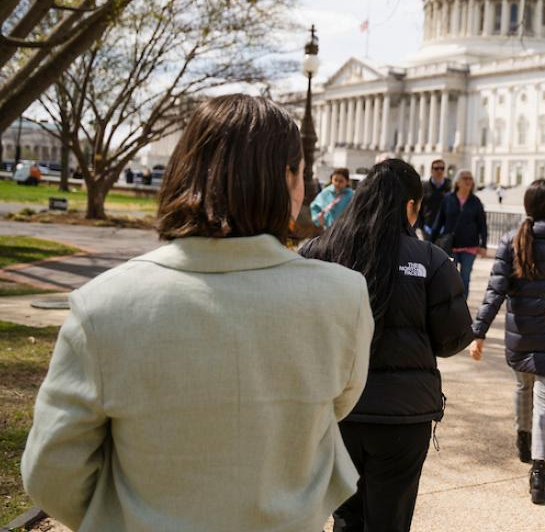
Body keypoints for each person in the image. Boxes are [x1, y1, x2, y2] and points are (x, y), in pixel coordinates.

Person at [21, 94, 374, 532]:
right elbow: (337, 403)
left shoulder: (103, 304)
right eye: (302, 171)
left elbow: (51, 471)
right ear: (288, 178)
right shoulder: (342, 296)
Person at [301, 158, 473, 532]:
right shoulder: (430, 260)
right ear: (411, 207)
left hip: (336, 410)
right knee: (391, 519)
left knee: (346, 516)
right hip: (403, 413)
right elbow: (453, 338)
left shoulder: (317, 252)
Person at [470, 179, 545, 504]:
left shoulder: (511, 240)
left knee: (522, 388)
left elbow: (494, 292)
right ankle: (539, 469)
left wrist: (479, 333)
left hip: (521, 335)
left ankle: (523, 438)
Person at [430, 169, 488, 297]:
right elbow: (439, 222)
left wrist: (483, 245)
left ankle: (462, 308)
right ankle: (451, 306)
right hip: (451, 246)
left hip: (470, 246)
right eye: (465, 178)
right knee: (450, 278)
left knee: (465, 279)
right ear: (457, 182)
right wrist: (430, 243)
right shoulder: (447, 199)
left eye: (470, 178)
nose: (468, 181)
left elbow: (482, 225)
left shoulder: (476, 201)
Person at [419, 159, 451, 235]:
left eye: (442, 168)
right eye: (436, 169)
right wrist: (422, 226)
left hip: (445, 230)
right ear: (431, 171)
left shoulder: (451, 187)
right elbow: (418, 208)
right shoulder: (423, 187)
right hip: (427, 229)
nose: (439, 171)